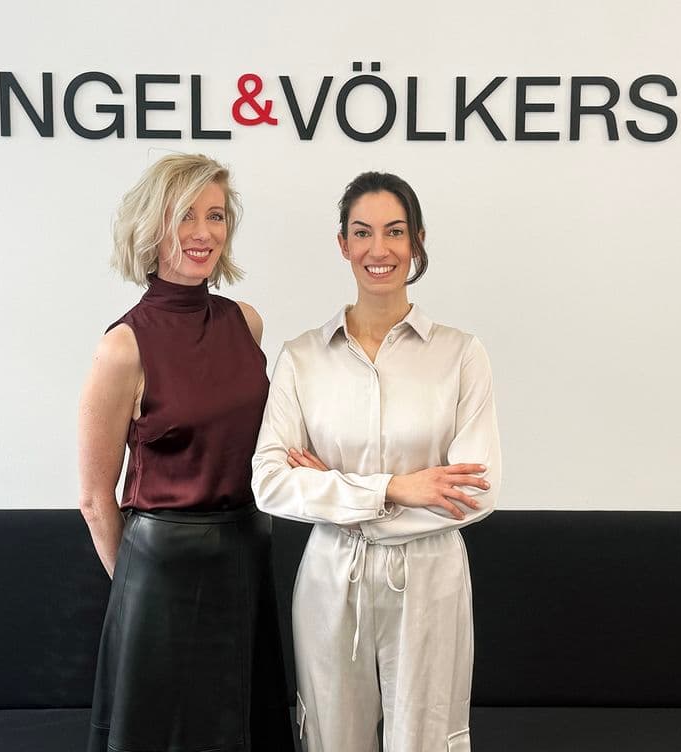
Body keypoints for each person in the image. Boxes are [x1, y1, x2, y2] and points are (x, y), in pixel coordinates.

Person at [252, 171, 501, 752]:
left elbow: (477, 492)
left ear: (416, 241)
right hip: (330, 576)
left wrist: (334, 490)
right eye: (362, 233)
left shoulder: (461, 354)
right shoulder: (302, 357)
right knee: (330, 740)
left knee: (426, 740)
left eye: (394, 232)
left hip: (431, 576)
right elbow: (269, 482)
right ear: (343, 245)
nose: (378, 249)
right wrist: (399, 488)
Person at [78, 153, 293, 752]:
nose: (204, 233)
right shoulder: (122, 346)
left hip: (247, 554)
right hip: (161, 569)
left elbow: (258, 441)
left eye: (216, 215)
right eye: (186, 216)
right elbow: (96, 499)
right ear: (153, 226)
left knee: (246, 729)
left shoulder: (246, 323)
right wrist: (138, 595)